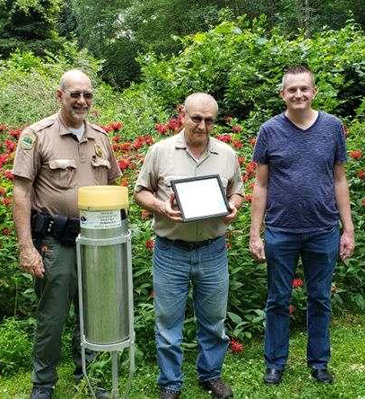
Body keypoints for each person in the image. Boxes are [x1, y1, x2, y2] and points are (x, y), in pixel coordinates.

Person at [12, 69, 121, 399]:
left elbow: (113, 186)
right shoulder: (37, 135)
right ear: (59, 96)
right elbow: (21, 192)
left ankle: (90, 375)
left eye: (87, 95)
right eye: (75, 94)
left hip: (96, 242)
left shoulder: (101, 138)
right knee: (52, 317)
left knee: (94, 314)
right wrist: (26, 247)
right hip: (55, 242)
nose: (82, 100)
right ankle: (43, 383)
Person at [248, 65, 355, 385]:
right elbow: (260, 185)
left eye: (304, 89)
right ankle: (275, 363)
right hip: (281, 230)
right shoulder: (269, 130)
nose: (298, 95)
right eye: (292, 90)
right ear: (282, 94)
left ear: (314, 92)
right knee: (278, 299)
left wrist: (347, 228)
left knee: (320, 298)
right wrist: (256, 233)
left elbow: (340, 180)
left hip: (323, 229)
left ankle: (319, 362)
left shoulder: (332, 127)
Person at [135, 93, 244, 399]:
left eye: (209, 120)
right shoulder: (161, 151)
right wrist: (159, 206)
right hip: (171, 251)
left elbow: (238, 191)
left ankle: (210, 375)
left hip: (213, 249)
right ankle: (170, 383)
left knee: (214, 322)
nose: (202, 125)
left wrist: (233, 206)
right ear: (182, 114)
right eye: (196, 118)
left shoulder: (226, 154)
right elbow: (140, 192)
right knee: (168, 324)